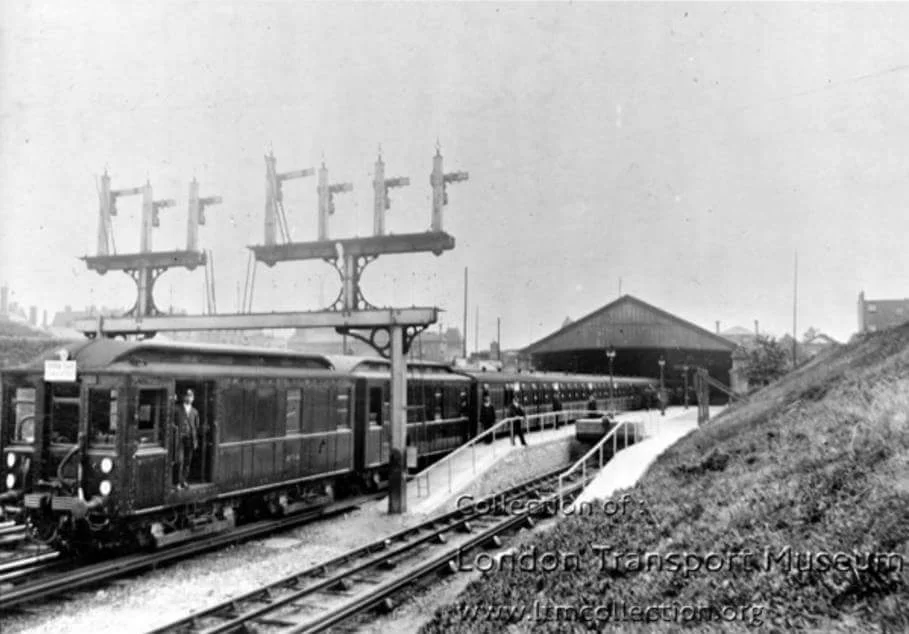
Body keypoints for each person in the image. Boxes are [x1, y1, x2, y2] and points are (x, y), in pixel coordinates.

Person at [173, 389, 200, 489]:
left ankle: (184, 480)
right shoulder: (176, 409)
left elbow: (196, 426)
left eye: (191, 396)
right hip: (179, 439)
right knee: (179, 461)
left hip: (190, 439)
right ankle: (177, 483)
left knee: (187, 461)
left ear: (193, 398)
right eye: (187, 396)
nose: (189, 398)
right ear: (183, 397)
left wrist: (194, 438)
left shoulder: (195, 412)